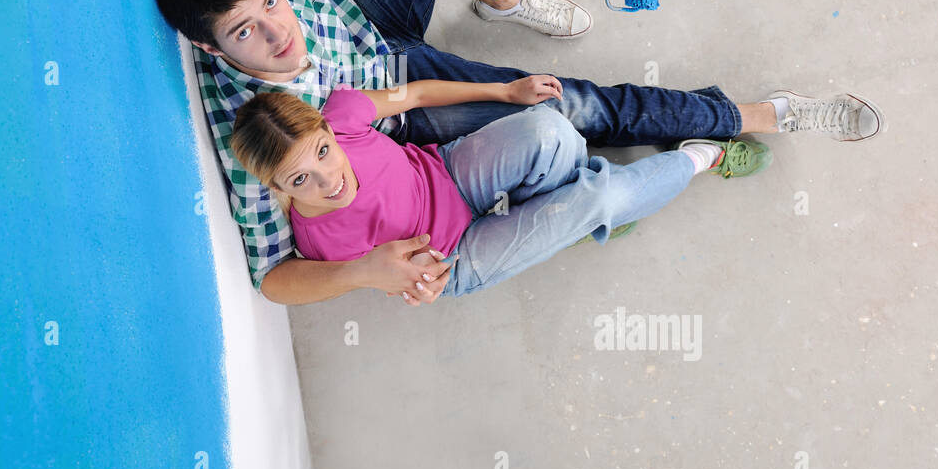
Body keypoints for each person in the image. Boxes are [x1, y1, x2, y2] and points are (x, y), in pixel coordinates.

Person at [151, 0, 885, 306]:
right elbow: (274, 275)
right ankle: (756, 115)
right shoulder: (247, 124)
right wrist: (366, 272)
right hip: (393, 105)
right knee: (574, 103)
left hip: (364, 24)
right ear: (208, 47)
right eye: (246, 32)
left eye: (271, 3)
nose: (280, 33)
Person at [229, 79, 771, 302]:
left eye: (323, 153)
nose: (330, 181)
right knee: (601, 199)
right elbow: (275, 286)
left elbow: (413, 93)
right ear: (277, 188)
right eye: (302, 180)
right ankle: (704, 156)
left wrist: (505, 91)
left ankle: (573, 220)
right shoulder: (319, 241)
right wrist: (371, 273)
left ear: (327, 130)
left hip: (448, 173)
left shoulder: (344, 114)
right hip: (451, 260)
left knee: (550, 127)